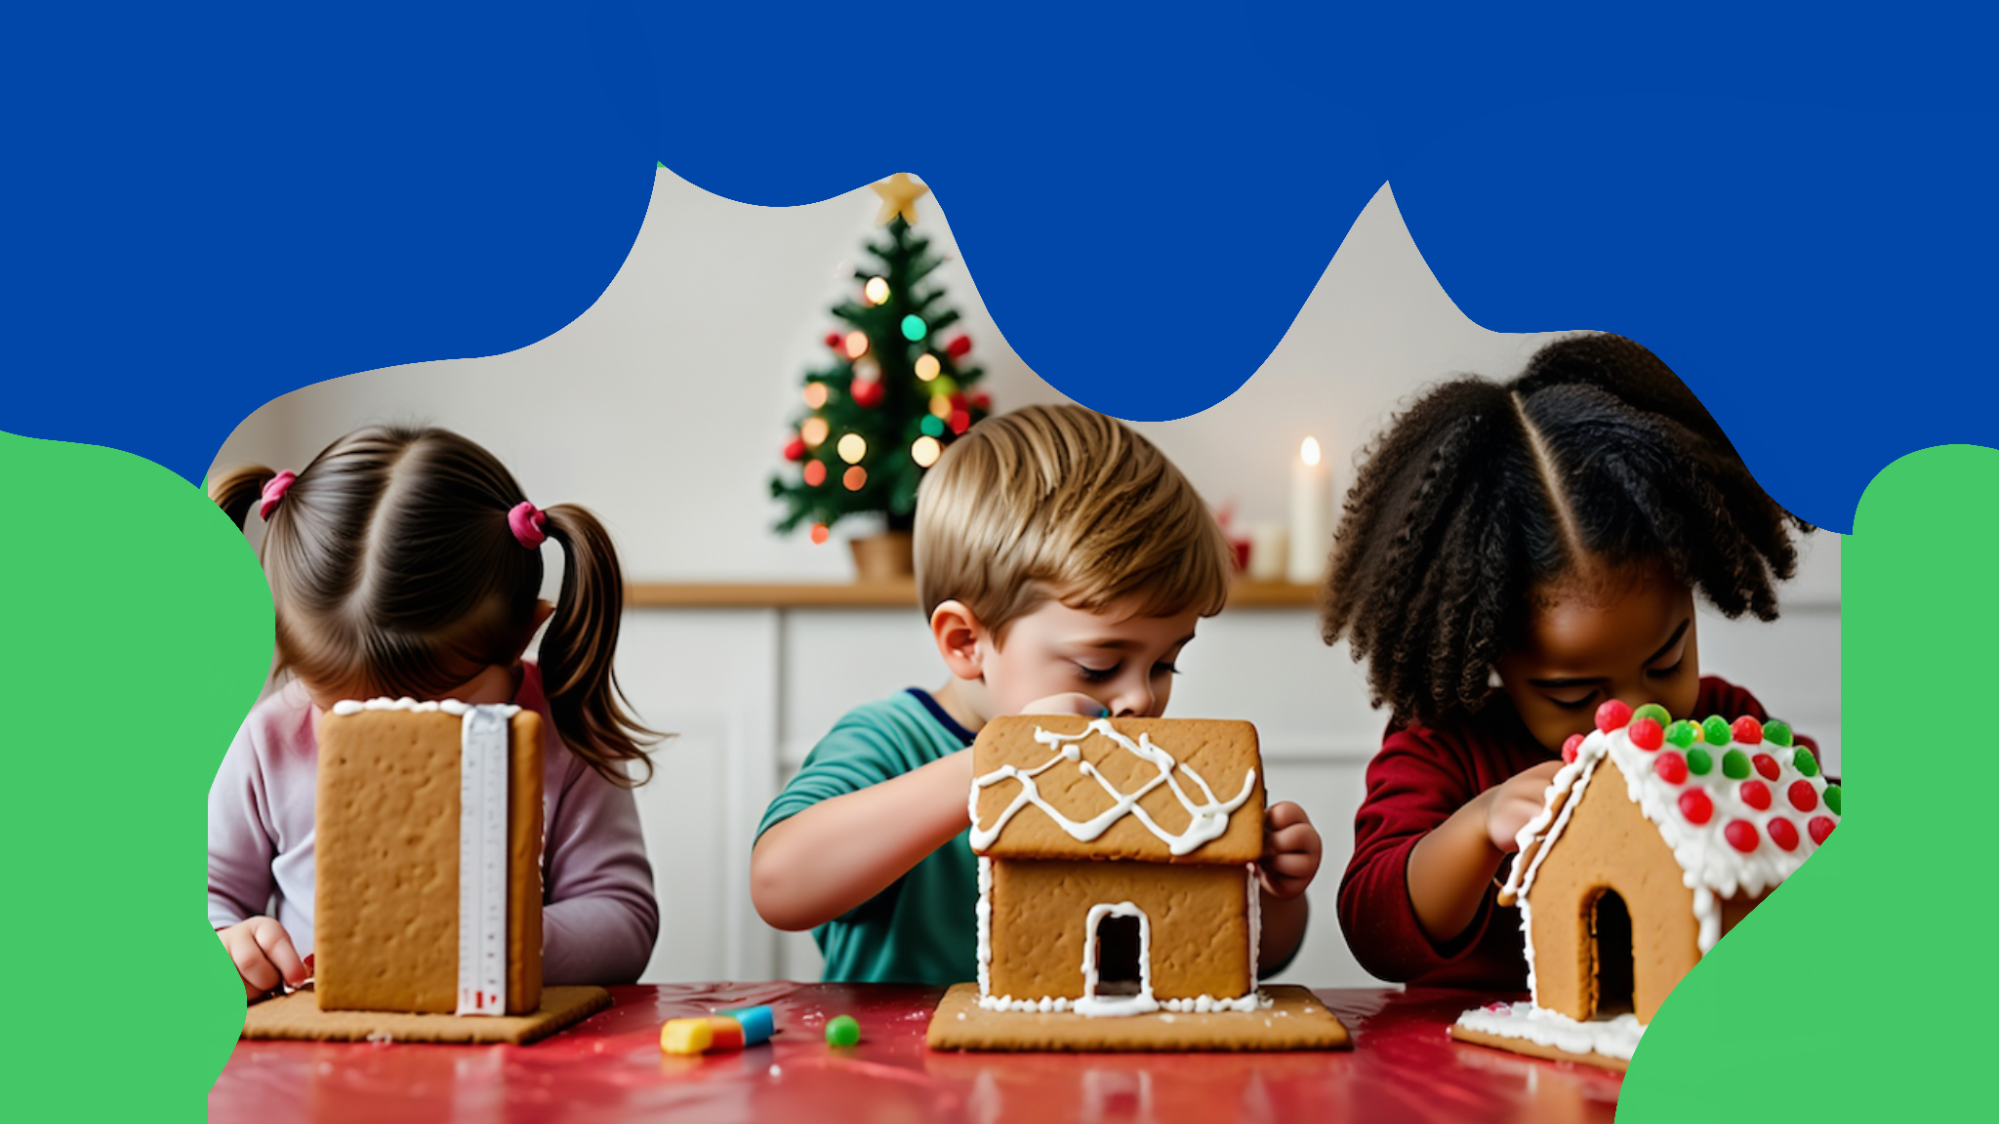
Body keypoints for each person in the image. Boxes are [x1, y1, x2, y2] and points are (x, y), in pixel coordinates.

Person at [751, 403, 1323, 985]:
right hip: (895, 1045)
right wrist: (995, 767)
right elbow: (778, 885)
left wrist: (1269, 888)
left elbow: (1236, 954)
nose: (1140, 700)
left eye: (1165, 664)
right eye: (1099, 666)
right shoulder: (890, 741)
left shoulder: (1142, 777)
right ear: (966, 642)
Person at [1323, 332, 1822, 987]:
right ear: (1491, 657)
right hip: (1469, 1049)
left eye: (1667, 661)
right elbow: (1373, 929)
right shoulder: (1447, 746)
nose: (1632, 716)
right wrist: (1477, 828)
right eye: (1573, 693)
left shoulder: (1727, 726)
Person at [207, 425, 660, 1000]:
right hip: (319, 1041)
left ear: (521, 635)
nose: (393, 729)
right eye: (343, 712)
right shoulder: (271, 739)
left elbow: (624, 918)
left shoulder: (563, 732)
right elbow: (203, 897)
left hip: (508, 1045)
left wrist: (500, 941)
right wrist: (227, 943)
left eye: (442, 709)